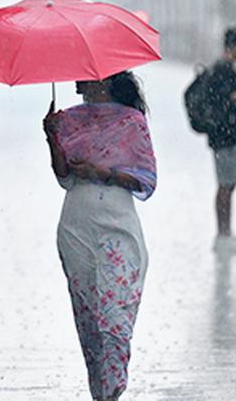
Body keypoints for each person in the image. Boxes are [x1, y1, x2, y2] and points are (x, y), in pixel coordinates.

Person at [43, 71, 157, 401]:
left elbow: (145, 179)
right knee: (90, 320)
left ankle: (113, 387)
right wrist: (51, 137)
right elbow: (63, 177)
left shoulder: (132, 122)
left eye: (85, 74)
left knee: (115, 315)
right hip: (76, 227)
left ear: (103, 80)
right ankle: (101, 393)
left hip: (118, 227)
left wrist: (102, 173)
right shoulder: (69, 120)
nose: (77, 79)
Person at [202, 27, 236, 254]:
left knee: (229, 184)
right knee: (225, 185)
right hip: (225, 138)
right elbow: (220, 100)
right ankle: (223, 235)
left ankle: (226, 234)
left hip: (228, 137)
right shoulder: (222, 69)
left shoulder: (225, 68)